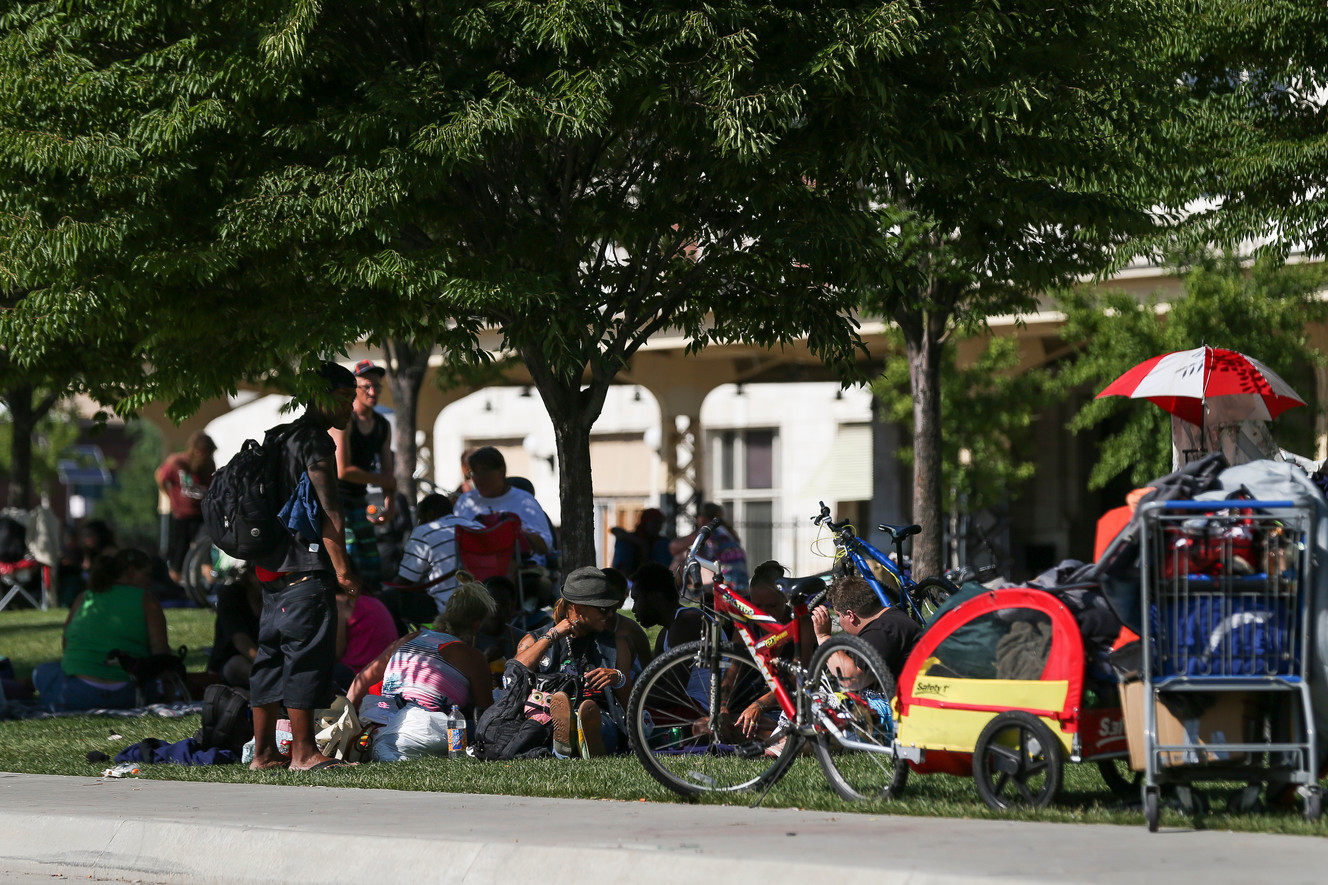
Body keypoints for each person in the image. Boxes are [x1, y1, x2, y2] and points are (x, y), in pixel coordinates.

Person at [248, 360, 364, 772]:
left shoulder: (279, 437)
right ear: (319, 396)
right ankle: (303, 754)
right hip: (306, 569)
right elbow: (330, 510)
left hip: (271, 570)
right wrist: (344, 570)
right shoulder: (317, 442)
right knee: (305, 659)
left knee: (270, 660)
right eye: (344, 398)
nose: (349, 408)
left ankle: (262, 754)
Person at [514, 566, 635, 758]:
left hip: (600, 717)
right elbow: (515, 674)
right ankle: (570, 736)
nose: (610, 615)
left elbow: (630, 705)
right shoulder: (533, 641)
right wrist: (552, 636)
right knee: (544, 723)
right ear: (578, 609)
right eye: (603, 609)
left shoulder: (615, 645)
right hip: (544, 719)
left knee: (595, 719)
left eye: (611, 609)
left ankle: (580, 736)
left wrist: (618, 678)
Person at [33, 548, 170, 712]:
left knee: (43, 671)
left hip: (76, 695)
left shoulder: (84, 597)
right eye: (147, 575)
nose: (149, 582)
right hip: (130, 695)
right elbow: (161, 653)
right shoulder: (147, 600)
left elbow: (66, 645)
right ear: (131, 571)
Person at [346, 574, 496, 720]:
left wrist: (344, 724)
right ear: (476, 624)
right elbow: (487, 715)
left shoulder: (408, 639)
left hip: (382, 730)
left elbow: (360, 681)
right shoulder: (473, 657)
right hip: (433, 739)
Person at [328, 359, 395, 591]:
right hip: (334, 502)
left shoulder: (382, 425)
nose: (373, 391)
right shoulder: (344, 421)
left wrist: (391, 502)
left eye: (377, 386)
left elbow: (389, 471)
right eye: (367, 386)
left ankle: (373, 611)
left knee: (372, 565)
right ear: (355, 388)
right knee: (348, 561)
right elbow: (342, 470)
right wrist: (383, 481)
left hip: (359, 500)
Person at [812, 571, 922, 690]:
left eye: (839, 616)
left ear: (851, 615)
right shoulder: (891, 619)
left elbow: (851, 680)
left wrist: (824, 637)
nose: (839, 621)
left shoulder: (882, 632)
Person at [452, 447, 553, 567]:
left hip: (522, 571)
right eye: (474, 473)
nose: (478, 479)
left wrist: (516, 531)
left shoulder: (525, 501)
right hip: (475, 569)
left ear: (501, 471)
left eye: (484, 472)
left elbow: (546, 546)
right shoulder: (465, 501)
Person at [394, 493, 478, 618]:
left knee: (389, 599)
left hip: (450, 607)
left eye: (420, 518)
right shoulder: (476, 526)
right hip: (484, 601)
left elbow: (405, 580)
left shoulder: (425, 531)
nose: (419, 522)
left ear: (430, 514)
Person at [155, 432, 217, 584]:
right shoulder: (177, 461)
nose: (203, 456)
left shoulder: (209, 464)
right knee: (178, 555)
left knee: (205, 549)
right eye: (201, 452)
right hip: (181, 516)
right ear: (194, 450)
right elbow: (160, 476)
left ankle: (209, 587)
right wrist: (168, 495)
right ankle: (175, 586)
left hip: (202, 515)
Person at [627, 561, 704, 657]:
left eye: (636, 599)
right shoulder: (664, 635)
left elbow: (677, 672)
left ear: (654, 597)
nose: (634, 609)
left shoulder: (684, 623)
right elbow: (655, 671)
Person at [670, 502, 748, 591]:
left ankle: (670, 590)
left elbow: (673, 547)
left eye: (698, 515)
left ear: (703, 518)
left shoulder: (709, 533)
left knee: (684, 556)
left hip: (727, 583)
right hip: (741, 584)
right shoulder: (726, 532)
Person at [207, 565, 263, 689]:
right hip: (231, 661)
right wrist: (267, 667)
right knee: (240, 665)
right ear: (251, 576)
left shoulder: (273, 597)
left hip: (265, 659)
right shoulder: (231, 596)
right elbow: (240, 640)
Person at [335, 588, 400, 691]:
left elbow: (336, 651)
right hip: (386, 675)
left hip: (360, 677)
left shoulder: (339, 602)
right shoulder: (369, 600)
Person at [610, 508, 671, 576]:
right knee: (624, 543)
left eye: (660, 523)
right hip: (629, 577)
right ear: (646, 522)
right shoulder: (631, 538)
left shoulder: (662, 542)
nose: (658, 526)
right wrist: (641, 543)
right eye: (655, 522)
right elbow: (615, 530)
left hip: (653, 577)